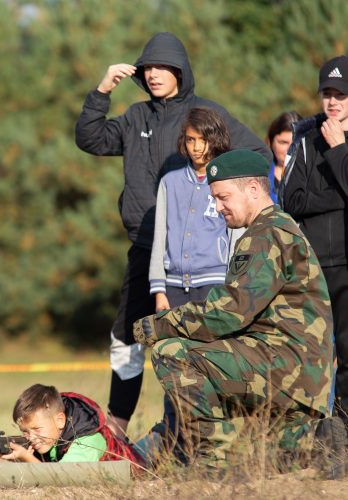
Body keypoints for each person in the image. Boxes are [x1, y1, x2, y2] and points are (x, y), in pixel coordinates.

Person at [75, 31, 272, 438]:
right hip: (146, 246)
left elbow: (258, 155)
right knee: (127, 335)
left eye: (162, 67)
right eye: (147, 68)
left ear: (180, 71)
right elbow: (90, 138)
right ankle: (117, 426)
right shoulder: (134, 117)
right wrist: (102, 90)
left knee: (203, 341)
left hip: (201, 260)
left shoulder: (204, 113)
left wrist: (218, 198)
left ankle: (213, 429)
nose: (153, 75)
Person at [133, 149, 340, 472]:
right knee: (272, 460)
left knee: (171, 352)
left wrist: (161, 325)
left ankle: (214, 463)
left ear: (254, 190)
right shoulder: (279, 227)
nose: (217, 208)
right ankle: (317, 441)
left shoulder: (265, 235)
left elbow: (227, 314)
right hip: (298, 375)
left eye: (223, 197)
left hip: (287, 371)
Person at [149, 107, 242, 435]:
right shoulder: (170, 182)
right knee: (173, 368)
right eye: (190, 140)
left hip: (213, 287)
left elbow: (235, 237)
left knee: (212, 366)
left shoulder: (227, 181)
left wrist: (234, 286)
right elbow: (159, 236)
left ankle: (217, 440)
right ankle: (176, 440)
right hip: (174, 289)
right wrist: (159, 290)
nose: (197, 147)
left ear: (215, 140)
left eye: (203, 140)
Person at [283, 55, 348, 431]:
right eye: (327, 93)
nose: (333, 101)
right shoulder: (305, 138)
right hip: (315, 266)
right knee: (311, 355)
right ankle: (309, 434)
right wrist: (338, 197)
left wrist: (339, 149)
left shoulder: (339, 140)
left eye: (341, 94)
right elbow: (292, 199)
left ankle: (343, 428)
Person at [0, 384, 143, 464]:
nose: (31, 438)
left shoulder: (86, 441)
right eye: (25, 432)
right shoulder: (54, 435)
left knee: (160, 441)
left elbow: (61, 476)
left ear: (60, 421)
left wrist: (28, 458)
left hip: (141, 462)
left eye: (36, 429)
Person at [265, 111, 302, 203]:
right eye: (283, 142)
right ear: (270, 142)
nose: (290, 149)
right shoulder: (259, 174)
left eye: (296, 143)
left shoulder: (316, 177)